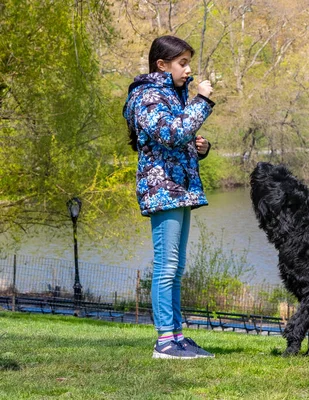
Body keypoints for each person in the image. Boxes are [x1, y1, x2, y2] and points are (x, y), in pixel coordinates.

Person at [123, 35, 215, 359]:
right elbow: (171, 133)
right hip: (162, 189)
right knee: (166, 266)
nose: (188, 70)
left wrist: (200, 148)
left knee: (176, 267)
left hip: (179, 188)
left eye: (189, 62)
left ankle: (177, 336)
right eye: (183, 63)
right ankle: (164, 342)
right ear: (161, 65)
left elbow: (178, 139)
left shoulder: (171, 95)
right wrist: (201, 102)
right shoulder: (148, 96)